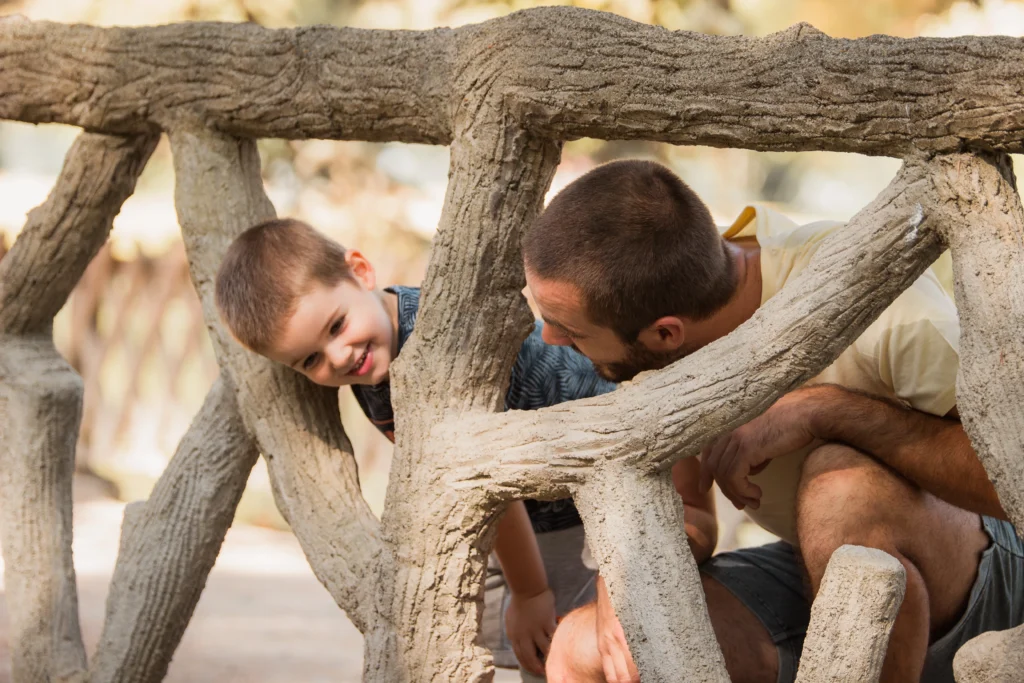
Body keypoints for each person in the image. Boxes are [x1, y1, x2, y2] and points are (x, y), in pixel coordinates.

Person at [521, 160, 1024, 683]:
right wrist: (628, 580)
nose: (549, 338)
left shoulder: (878, 299)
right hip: (817, 572)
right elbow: (688, 508)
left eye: (569, 329)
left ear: (665, 332)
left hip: (991, 570)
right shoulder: (656, 297)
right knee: (580, 649)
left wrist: (826, 410)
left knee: (840, 486)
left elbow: (1012, 482)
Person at [213, 218, 612, 681]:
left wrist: (530, 593)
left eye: (337, 325)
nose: (339, 357)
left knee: (559, 649)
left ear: (361, 271)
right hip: (524, 500)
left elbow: (487, 484)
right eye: (310, 359)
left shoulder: (431, 346)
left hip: (578, 488)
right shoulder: (374, 346)